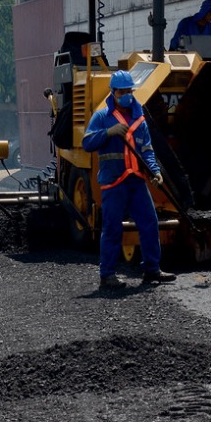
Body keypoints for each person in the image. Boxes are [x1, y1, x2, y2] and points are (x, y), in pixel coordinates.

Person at [81, 69, 177, 289]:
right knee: (112, 227)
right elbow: (87, 143)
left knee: (149, 222)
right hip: (114, 181)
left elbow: (146, 150)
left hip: (136, 180)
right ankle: (107, 275)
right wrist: (109, 132)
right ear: (113, 92)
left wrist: (155, 172)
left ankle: (152, 270)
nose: (126, 94)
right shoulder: (102, 117)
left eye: (129, 90)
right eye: (122, 91)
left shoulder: (139, 118)